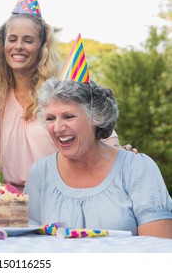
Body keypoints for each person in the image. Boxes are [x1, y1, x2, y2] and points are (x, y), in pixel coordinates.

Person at [0, 12, 124, 192]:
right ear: (3, 44)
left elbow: (101, 132)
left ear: (42, 46)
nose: (18, 46)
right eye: (12, 39)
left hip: (63, 192)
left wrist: (120, 154)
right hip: (16, 200)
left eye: (28, 40)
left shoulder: (59, 90)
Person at [25, 78, 172, 238]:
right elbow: (30, 240)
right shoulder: (40, 172)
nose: (58, 128)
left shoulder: (137, 168)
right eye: (50, 118)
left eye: (68, 116)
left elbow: (157, 247)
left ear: (96, 117)